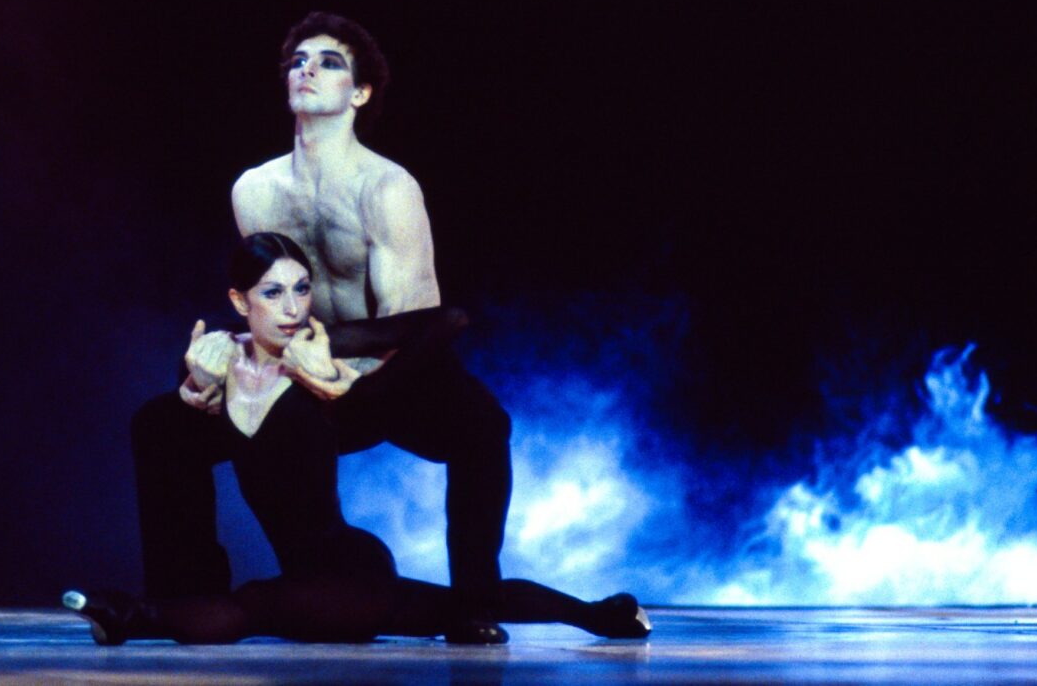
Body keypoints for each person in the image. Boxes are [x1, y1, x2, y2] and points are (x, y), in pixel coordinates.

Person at [132, 11, 516, 642]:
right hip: (297, 366)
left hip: (386, 370)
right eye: (297, 60)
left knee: (483, 426)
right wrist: (212, 367)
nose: (306, 69)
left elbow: (413, 327)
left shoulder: (386, 188)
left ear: (360, 93)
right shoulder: (255, 189)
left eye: (329, 62)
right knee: (161, 424)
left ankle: (475, 601)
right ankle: (183, 595)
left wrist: (335, 372)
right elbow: (267, 301)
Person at [68, 234, 651, 645]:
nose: (294, 309)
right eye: (273, 294)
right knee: (452, 609)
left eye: (302, 289)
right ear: (238, 302)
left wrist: (338, 372)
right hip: (304, 573)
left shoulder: (327, 361)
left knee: (257, 609)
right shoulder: (220, 360)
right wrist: (191, 378)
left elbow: (448, 321)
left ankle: (132, 618)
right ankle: (603, 615)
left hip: (351, 573)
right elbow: (175, 420)